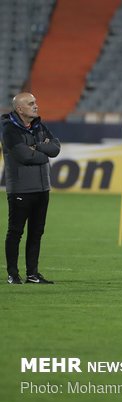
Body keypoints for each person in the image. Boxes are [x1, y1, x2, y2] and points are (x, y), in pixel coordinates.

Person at [1, 92, 60, 284]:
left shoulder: (38, 126)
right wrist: (43, 151)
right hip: (20, 189)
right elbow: (24, 156)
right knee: (15, 232)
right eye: (31, 103)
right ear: (19, 109)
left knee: (36, 232)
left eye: (35, 102)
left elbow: (56, 148)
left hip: (42, 189)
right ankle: (12, 274)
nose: (36, 106)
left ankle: (32, 274)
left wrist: (37, 147)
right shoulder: (9, 130)